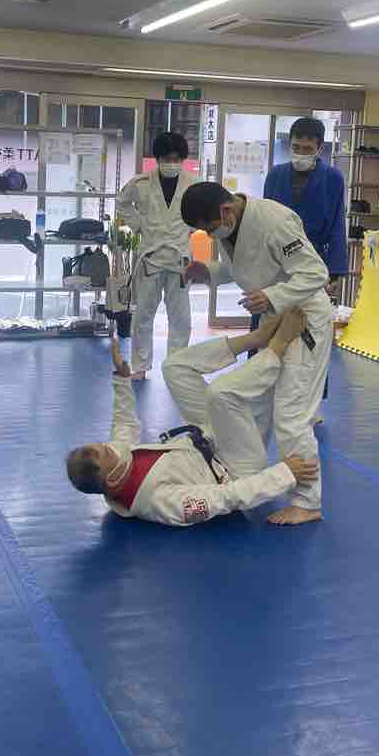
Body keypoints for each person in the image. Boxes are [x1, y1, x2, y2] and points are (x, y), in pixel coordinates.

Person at [65, 312, 319, 527]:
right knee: (220, 394)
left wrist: (121, 379)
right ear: (111, 480)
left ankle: (257, 338)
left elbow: (123, 426)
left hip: (206, 439)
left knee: (174, 368)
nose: (112, 447)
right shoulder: (159, 502)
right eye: (107, 452)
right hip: (235, 468)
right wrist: (283, 474)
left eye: (104, 446)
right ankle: (278, 346)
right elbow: (226, 497)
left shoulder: (115, 463)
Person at [181, 183, 333, 526]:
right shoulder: (231, 226)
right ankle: (250, 479)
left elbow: (316, 273)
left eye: (210, 228)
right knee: (257, 405)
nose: (210, 234)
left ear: (225, 211)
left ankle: (307, 502)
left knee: (292, 414)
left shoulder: (275, 221)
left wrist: (271, 296)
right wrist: (208, 271)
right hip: (273, 318)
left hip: (303, 317)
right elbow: (241, 268)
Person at [260, 116, 346, 408]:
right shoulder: (275, 175)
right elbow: (262, 221)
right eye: (296, 147)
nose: (300, 153)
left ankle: (311, 401)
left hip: (313, 263)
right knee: (270, 326)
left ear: (320, 148)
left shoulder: (333, 178)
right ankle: (262, 389)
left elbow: (337, 224)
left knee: (312, 334)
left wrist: (334, 271)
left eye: (307, 149)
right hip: (275, 263)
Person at [114, 132, 195, 376]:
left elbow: (204, 210)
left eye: (176, 159)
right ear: (157, 159)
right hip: (151, 256)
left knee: (181, 317)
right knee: (143, 315)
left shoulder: (193, 183)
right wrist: (138, 225)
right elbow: (122, 202)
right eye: (167, 159)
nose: (172, 163)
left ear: (183, 159)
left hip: (179, 258)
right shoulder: (140, 183)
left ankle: (176, 366)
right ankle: (140, 366)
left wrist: (190, 228)